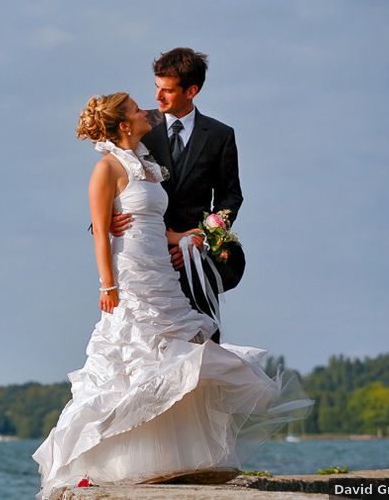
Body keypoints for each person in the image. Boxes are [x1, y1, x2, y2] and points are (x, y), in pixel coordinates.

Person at [31, 92, 311, 499]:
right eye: (134, 109)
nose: (145, 110)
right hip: (130, 275)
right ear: (124, 124)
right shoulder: (106, 167)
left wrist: (182, 236)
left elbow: (152, 220)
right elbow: (99, 233)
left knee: (176, 352)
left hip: (162, 269)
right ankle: (115, 460)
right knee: (133, 356)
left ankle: (172, 459)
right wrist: (107, 285)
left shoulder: (145, 161)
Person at [111, 48, 245, 343]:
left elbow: (229, 197)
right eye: (157, 88)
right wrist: (106, 222)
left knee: (202, 353)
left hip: (194, 266)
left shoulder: (220, 136)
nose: (158, 98)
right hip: (145, 261)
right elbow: (111, 177)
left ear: (192, 91)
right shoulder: (139, 126)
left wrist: (202, 240)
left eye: (168, 91)